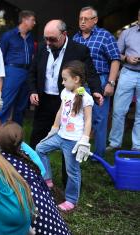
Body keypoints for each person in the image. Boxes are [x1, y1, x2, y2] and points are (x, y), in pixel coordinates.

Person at [28, 19, 103, 150]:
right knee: (36, 139)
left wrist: (96, 90)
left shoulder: (79, 50)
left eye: (52, 39)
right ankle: (35, 169)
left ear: (64, 34)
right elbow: (32, 72)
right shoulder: (41, 47)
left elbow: (90, 73)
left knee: (68, 141)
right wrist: (33, 91)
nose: (48, 42)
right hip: (43, 100)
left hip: (68, 100)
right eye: (46, 38)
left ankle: (68, 170)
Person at [36, 61, 94, 212]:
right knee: (40, 148)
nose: (62, 82)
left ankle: (71, 200)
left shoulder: (86, 98)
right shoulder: (65, 93)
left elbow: (88, 120)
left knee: (72, 171)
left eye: (64, 79)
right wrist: (54, 129)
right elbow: (60, 111)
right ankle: (47, 179)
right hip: (60, 136)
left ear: (76, 79)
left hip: (73, 141)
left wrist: (84, 140)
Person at [0, 122, 71, 234]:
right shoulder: (23, 155)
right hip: (48, 211)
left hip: (32, 215)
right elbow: (41, 169)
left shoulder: (2, 162)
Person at [73, 6, 120, 157]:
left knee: (99, 119)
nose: (82, 22)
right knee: (78, 115)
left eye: (86, 19)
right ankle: (76, 151)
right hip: (80, 81)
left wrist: (110, 83)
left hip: (100, 80)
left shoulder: (105, 36)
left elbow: (115, 59)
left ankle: (98, 156)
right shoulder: (76, 38)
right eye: (80, 18)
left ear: (95, 20)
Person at [107, 9, 140, 151]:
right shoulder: (127, 33)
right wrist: (127, 58)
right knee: (119, 110)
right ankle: (115, 143)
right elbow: (116, 53)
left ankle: (137, 145)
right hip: (127, 73)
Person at [0, 10, 36, 125]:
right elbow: (0, 56)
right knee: (6, 103)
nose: (34, 23)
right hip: (12, 71)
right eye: (32, 20)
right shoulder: (8, 36)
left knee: (21, 106)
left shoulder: (30, 37)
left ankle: (15, 136)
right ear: (24, 20)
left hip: (27, 72)